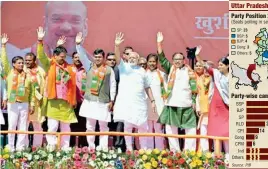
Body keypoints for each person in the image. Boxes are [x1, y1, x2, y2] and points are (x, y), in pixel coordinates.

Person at [4, 1, 91, 65]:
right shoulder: (19, 62)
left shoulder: (94, 65)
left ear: (85, 27)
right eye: (57, 19)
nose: (66, 27)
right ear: (45, 24)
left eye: (75, 20)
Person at [113, 32, 156, 151]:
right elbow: (117, 58)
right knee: (127, 128)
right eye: (130, 57)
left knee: (143, 128)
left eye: (134, 57)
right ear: (127, 58)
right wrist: (116, 46)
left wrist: (152, 100)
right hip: (127, 104)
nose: (132, 59)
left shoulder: (142, 71)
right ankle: (129, 150)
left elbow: (147, 87)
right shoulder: (124, 67)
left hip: (140, 104)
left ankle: (144, 151)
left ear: (138, 60)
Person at [36, 27, 77, 150]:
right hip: (53, 101)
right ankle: (51, 147)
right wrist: (40, 40)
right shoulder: (51, 64)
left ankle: (65, 148)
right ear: (55, 55)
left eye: (64, 56)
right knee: (52, 126)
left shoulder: (69, 67)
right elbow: (41, 56)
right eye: (61, 56)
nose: (63, 58)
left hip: (66, 102)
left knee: (66, 127)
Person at [156, 32, 197, 152]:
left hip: (187, 104)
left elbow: (194, 90)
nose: (178, 61)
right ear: (173, 60)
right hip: (172, 104)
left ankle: (190, 153)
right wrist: (159, 43)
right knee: (170, 130)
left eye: (180, 59)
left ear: (184, 60)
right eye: (175, 59)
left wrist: (194, 102)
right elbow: (162, 58)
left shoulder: (190, 71)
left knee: (191, 129)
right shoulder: (171, 68)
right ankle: (175, 152)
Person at [76, 32, 116, 150]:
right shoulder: (89, 66)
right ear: (93, 57)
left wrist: (112, 100)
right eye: (96, 57)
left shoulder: (109, 70)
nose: (97, 59)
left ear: (103, 58)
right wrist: (78, 45)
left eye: (100, 57)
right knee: (90, 126)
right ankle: (91, 147)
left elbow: (113, 85)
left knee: (103, 126)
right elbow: (82, 56)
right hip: (90, 101)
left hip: (103, 102)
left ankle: (103, 148)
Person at [1, 34, 35, 152]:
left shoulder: (27, 75)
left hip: (24, 103)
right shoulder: (9, 73)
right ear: (14, 64)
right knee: (12, 125)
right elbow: (4, 61)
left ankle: (20, 148)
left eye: (22, 63)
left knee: (23, 126)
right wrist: (3, 46)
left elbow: (30, 92)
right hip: (13, 103)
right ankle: (11, 147)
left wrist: (32, 104)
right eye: (19, 63)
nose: (21, 64)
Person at [195, 46, 229, 157]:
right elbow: (205, 65)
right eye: (218, 65)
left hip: (227, 107)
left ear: (228, 65)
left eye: (221, 65)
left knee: (228, 131)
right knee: (216, 131)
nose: (219, 67)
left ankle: (229, 156)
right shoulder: (217, 74)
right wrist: (197, 55)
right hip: (215, 106)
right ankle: (217, 157)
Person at [24, 52, 46, 148]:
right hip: (24, 101)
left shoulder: (40, 71)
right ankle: (23, 148)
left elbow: (44, 86)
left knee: (37, 126)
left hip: (37, 102)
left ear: (34, 60)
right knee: (23, 126)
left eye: (29, 60)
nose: (27, 62)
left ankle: (36, 148)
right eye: (26, 60)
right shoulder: (22, 69)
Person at [105, 52, 126, 151]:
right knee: (103, 124)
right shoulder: (102, 70)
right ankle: (103, 147)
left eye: (114, 59)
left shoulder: (120, 71)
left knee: (119, 124)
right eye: (109, 59)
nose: (112, 61)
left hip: (118, 102)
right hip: (104, 102)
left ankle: (118, 147)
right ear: (106, 60)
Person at [146, 53, 167, 150]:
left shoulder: (162, 75)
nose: (152, 63)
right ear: (147, 62)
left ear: (157, 62)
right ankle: (148, 151)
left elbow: (166, 91)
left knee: (158, 129)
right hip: (146, 106)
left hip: (159, 106)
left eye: (154, 61)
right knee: (148, 129)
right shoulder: (143, 74)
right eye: (150, 61)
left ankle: (160, 151)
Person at [69, 51, 87, 147]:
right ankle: (70, 145)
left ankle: (82, 146)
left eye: (79, 57)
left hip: (83, 101)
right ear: (72, 59)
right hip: (71, 102)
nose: (77, 59)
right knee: (71, 124)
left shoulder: (87, 69)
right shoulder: (69, 69)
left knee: (83, 125)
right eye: (75, 57)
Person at [193, 61, 211, 152]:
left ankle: (219, 153)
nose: (207, 69)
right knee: (203, 131)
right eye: (206, 67)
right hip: (203, 110)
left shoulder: (214, 79)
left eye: (209, 68)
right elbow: (198, 95)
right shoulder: (199, 79)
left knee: (215, 132)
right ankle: (205, 152)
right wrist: (198, 108)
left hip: (213, 110)